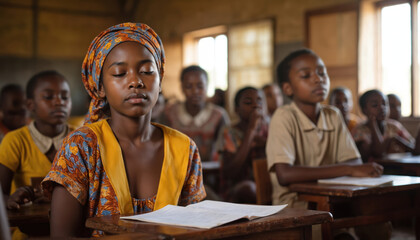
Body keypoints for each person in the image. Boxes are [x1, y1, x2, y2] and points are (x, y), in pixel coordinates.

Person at [41, 23, 206, 238]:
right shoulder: (81, 146)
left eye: (147, 71)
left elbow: (198, 228)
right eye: (119, 73)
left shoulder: (184, 148)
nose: (135, 81)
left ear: (160, 82)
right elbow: (61, 236)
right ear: (100, 87)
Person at [267, 49, 387, 239]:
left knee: (378, 220)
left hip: (334, 200)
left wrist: (351, 168)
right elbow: (285, 174)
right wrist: (347, 169)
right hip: (296, 208)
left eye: (322, 73)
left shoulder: (332, 115)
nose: (318, 79)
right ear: (288, 88)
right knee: (327, 231)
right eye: (306, 75)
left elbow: (356, 164)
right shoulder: (283, 117)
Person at [0, 70, 73, 211]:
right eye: (48, 97)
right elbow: (1, 194)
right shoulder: (16, 140)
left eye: (65, 97)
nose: (59, 102)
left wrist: (58, 197)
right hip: (26, 230)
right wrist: (11, 199)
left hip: (75, 230)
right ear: (30, 105)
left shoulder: (81, 139)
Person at [163, 65, 230, 163]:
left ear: (207, 86)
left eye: (200, 86)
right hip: (177, 173)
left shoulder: (218, 116)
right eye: (189, 86)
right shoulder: (169, 113)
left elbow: (226, 151)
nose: (195, 91)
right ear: (181, 88)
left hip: (210, 173)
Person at [216, 86, 268, 203]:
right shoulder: (230, 132)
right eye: (248, 102)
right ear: (236, 109)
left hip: (268, 183)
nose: (255, 105)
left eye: (259, 101)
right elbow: (230, 172)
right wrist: (251, 130)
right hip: (237, 187)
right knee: (248, 189)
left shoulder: (272, 127)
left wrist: (265, 143)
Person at [352, 90, 414, 162]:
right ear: (364, 110)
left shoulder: (394, 126)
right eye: (375, 105)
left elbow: (412, 147)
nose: (382, 108)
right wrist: (373, 125)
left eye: (384, 104)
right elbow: (378, 152)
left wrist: (398, 140)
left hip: (397, 168)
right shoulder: (359, 131)